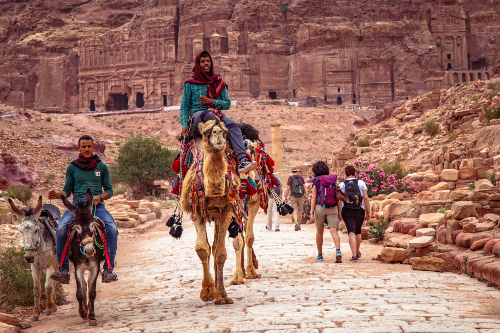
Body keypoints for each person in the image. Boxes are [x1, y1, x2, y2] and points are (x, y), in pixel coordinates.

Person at [49, 135, 118, 284]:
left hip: (97, 207)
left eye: (89, 146)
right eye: (83, 147)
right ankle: (63, 270)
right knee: (61, 229)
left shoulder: (102, 167)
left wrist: (100, 197)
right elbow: (67, 190)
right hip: (76, 208)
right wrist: (58, 194)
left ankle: (108, 269)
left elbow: (109, 191)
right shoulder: (72, 167)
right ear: (78, 148)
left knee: (112, 229)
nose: (86, 149)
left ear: (94, 148)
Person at [180, 50, 256, 173]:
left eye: (208, 61)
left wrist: (212, 101)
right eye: (203, 61)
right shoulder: (190, 84)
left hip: (216, 114)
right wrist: (184, 125)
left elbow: (226, 103)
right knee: (207, 114)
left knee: (233, 125)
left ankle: (243, 160)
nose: (206, 64)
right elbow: (184, 106)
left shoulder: (218, 82)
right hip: (197, 116)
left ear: (211, 63)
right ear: (198, 64)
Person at [309, 161, 342, 263]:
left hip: (320, 207)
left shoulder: (315, 181)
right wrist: (339, 211)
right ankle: (338, 251)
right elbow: (338, 197)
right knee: (334, 231)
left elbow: (314, 197)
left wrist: (311, 212)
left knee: (319, 231)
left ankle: (320, 255)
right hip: (332, 207)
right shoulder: (333, 179)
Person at [339, 165, 371, 262]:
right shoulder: (361, 183)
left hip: (346, 210)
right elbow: (365, 198)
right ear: (355, 174)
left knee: (351, 232)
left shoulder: (342, 185)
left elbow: (339, 200)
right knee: (358, 231)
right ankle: (357, 252)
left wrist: (339, 212)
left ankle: (353, 255)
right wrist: (368, 212)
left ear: (345, 174)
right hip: (359, 210)